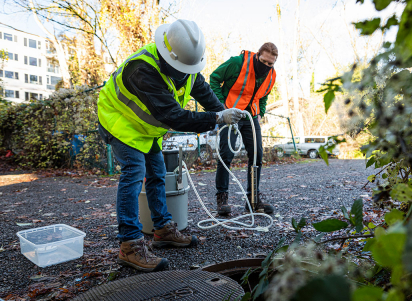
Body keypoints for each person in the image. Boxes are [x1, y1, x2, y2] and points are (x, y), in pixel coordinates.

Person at [97, 19, 246, 272]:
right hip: (119, 122)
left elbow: (203, 91)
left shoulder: (185, 65)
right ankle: (130, 245)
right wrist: (217, 119)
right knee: (134, 172)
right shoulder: (142, 70)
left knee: (156, 174)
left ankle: (163, 230)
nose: (186, 73)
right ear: (168, 55)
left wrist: (225, 113)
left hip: (145, 130)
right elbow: (174, 116)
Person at [210, 43, 278, 216]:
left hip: (251, 116)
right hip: (230, 112)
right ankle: (222, 199)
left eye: (271, 64)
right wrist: (221, 106)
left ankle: (252, 200)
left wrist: (260, 113)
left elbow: (263, 96)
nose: (267, 66)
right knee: (226, 154)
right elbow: (214, 78)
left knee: (257, 155)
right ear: (257, 56)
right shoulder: (237, 63)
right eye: (263, 61)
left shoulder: (271, 75)